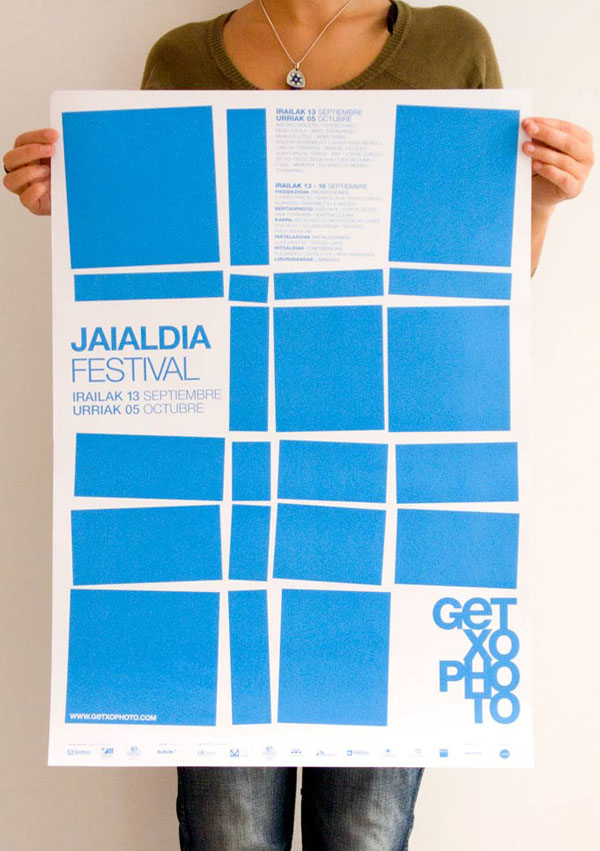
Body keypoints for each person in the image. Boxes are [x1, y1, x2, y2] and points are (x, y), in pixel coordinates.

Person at [2, 2, 594, 849]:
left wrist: (534, 205)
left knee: (365, 828)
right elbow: (157, 276)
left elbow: (474, 297)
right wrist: (81, 211)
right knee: (230, 829)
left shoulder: (453, 48)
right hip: (224, 514)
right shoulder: (181, 59)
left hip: (393, 514)